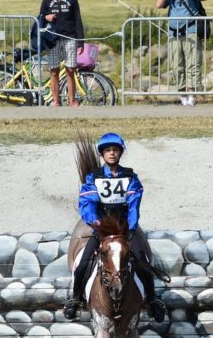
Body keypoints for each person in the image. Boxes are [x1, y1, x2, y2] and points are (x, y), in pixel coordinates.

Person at [64, 133, 167, 323]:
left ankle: (152, 300)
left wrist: (131, 227)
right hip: (102, 228)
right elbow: (87, 204)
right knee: (84, 263)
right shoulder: (93, 178)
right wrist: (96, 223)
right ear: (102, 154)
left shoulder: (131, 177)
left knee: (143, 262)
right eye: (108, 151)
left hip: (125, 227)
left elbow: (134, 205)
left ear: (120, 153)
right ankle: (75, 299)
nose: (112, 153)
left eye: (115, 150)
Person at [155, 0, 210, 106]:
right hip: (174, 32)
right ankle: (182, 93)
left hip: (191, 30)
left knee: (193, 63)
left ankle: (192, 94)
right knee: (176, 64)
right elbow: (159, 4)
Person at [38, 0, 85, 107]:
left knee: (70, 70)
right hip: (52, 40)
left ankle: (72, 101)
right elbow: (40, 17)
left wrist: (80, 42)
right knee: (54, 71)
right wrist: (46, 17)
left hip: (69, 38)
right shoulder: (47, 0)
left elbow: (78, 20)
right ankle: (56, 101)